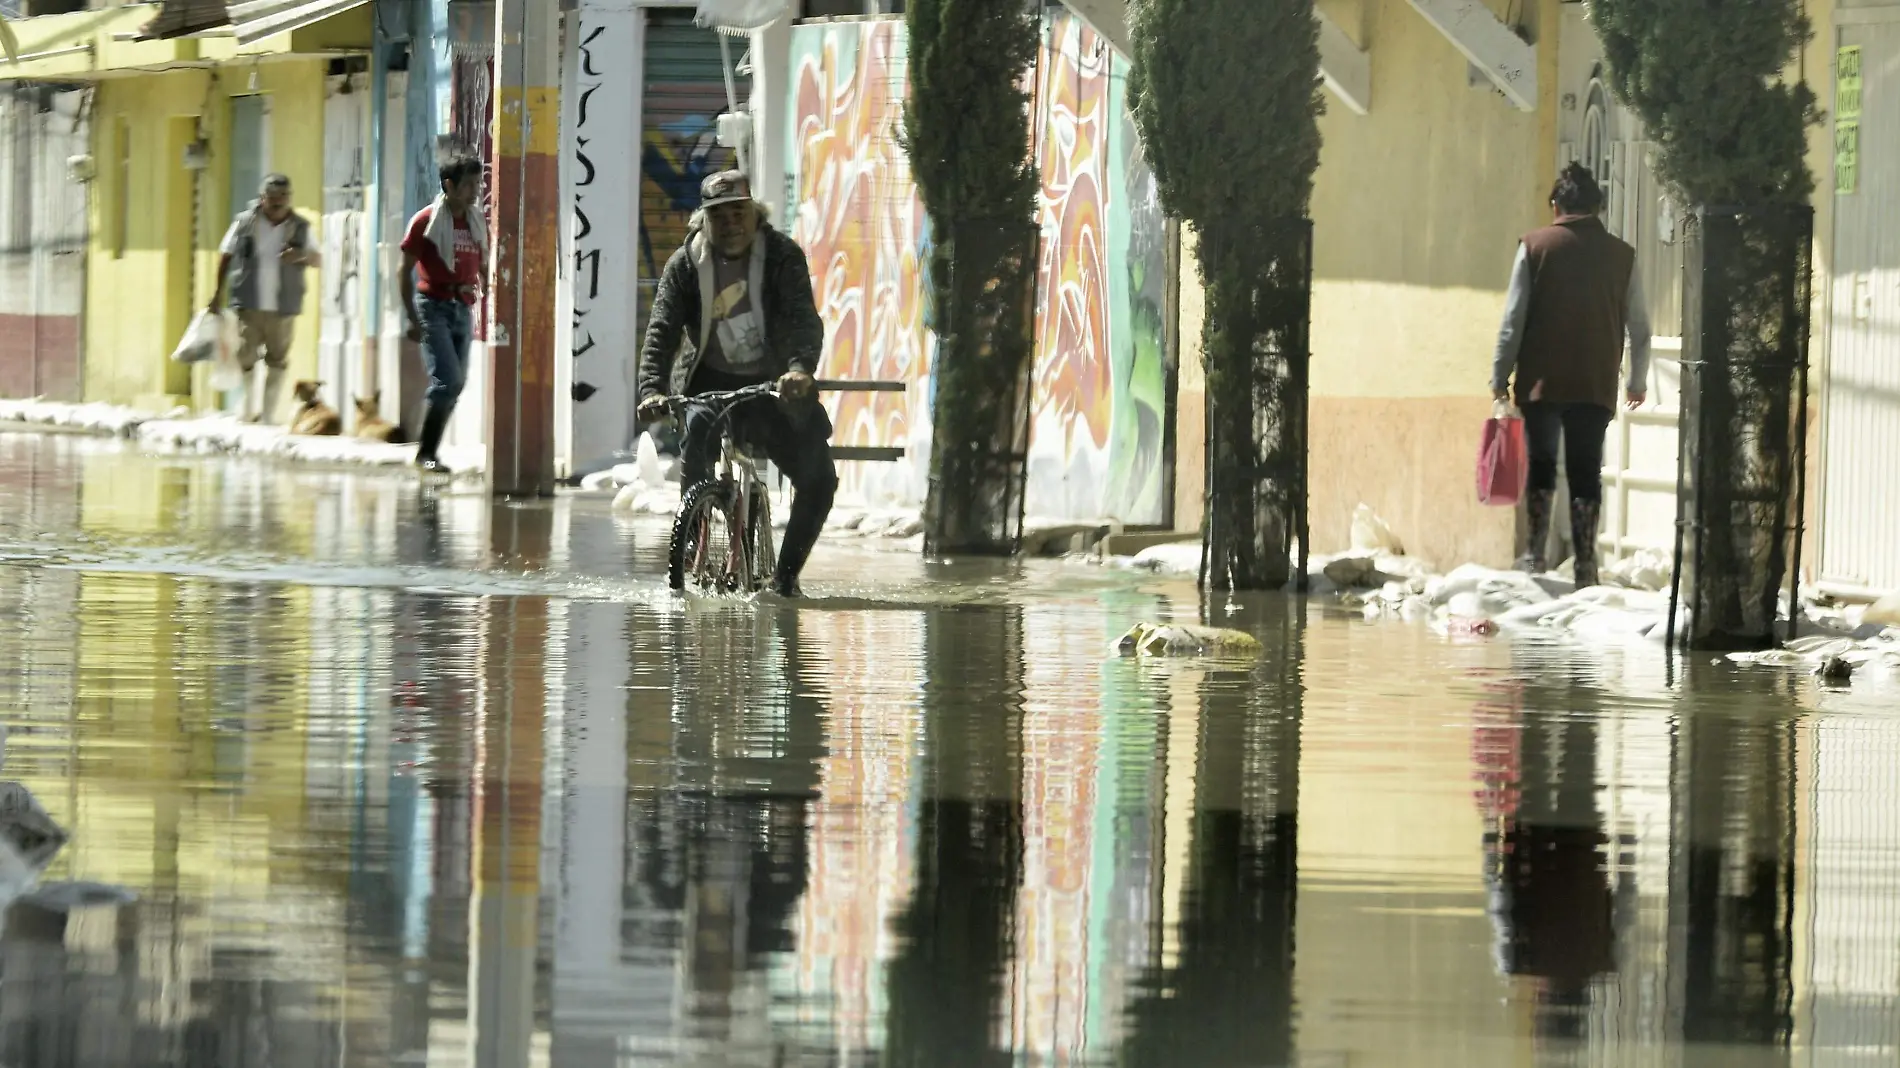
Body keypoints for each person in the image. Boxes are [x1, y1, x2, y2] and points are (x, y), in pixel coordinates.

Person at [636, 170, 835, 598]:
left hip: (774, 386)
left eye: (738, 213)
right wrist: (651, 388)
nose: (730, 224)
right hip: (707, 382)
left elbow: (804, 319)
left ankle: (785, 580)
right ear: (703, 220)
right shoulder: (685, 264)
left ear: (755, 213)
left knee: (819, 479)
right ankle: (693, 537)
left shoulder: (782, 256)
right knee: (697, 440)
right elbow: (662, 330)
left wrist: (800, 368)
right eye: (719, 216)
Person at [1492, 162, 1650, 588]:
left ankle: (1533, 556)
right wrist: (1637, 379)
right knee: (1586, 471)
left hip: (1541, 381)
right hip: (1594, 380)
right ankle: (1585, 565)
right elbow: (1640, 325)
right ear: (1598, 206)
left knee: (1542, 465)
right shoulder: (1623, 256)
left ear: (1555, 204)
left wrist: (1499, 376)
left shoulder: (1534, 246)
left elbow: (1513, 319)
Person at [399, 154, 487, 474]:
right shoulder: (426, 220)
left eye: (478, 183)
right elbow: (404, 268)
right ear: (449, 185)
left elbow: (482, 261)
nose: (474, 191)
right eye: (467, 184)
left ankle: (429, 450)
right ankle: (426, 453)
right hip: (432, 305)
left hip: (462, 307)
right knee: (446, 380)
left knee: (457, 383)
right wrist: (411, 316)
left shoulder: (475, 221)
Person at [210, 174, 320, 424]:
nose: (278, 202)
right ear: (262, 198)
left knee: (277, 360)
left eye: (283, 197)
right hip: (248, 302)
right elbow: (225, 255)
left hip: (284, 306)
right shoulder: (243, 223)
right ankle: (249, 407)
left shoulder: (301, 226)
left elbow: (319, 258)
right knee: (245, 355)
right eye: (272, 197)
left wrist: (300, 255)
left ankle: (268, 413)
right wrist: (217, 293)